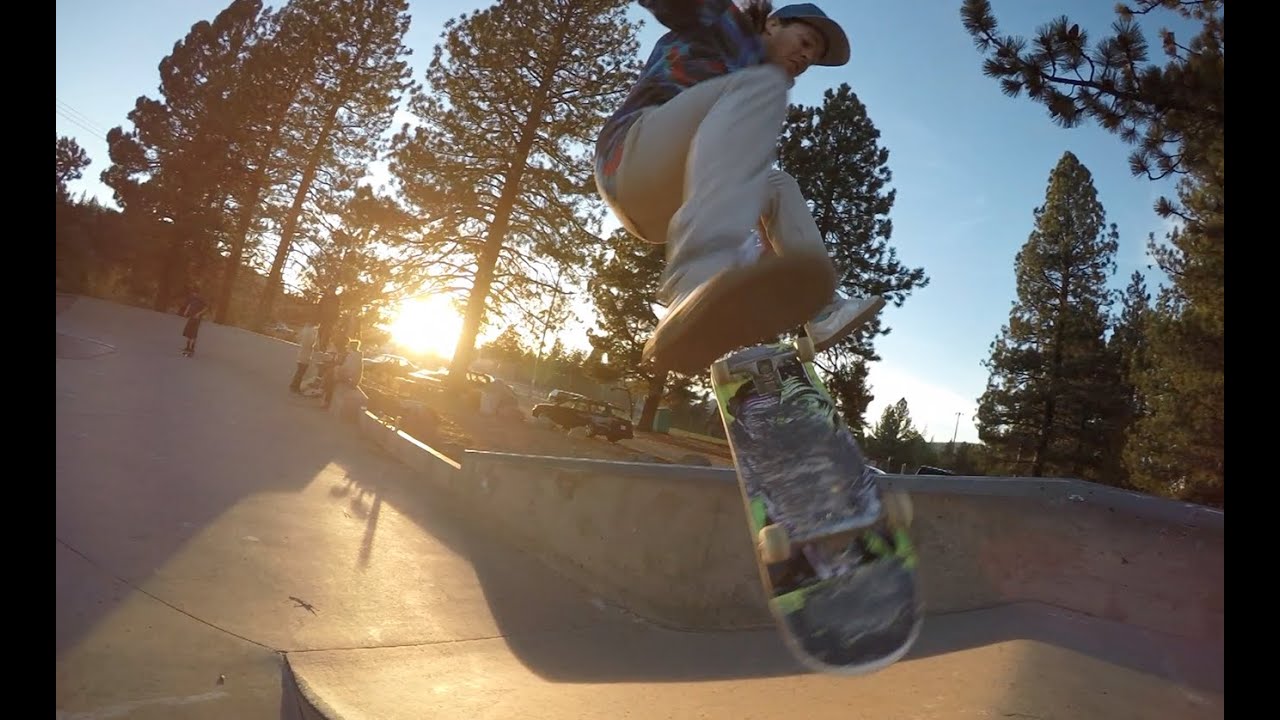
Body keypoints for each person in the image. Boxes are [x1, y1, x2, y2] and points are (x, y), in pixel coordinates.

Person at [594, 1, 885, 371]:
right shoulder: (723, 25)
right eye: (806, 41)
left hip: (662, 207)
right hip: (629, 159)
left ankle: (823, 313)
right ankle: (691, 283)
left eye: (813, 56)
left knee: (778, 185)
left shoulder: (750, 88)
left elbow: (723, 180)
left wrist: (760, 261)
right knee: (763, 86)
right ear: (773, 24)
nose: (806, 57)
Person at [290, 317, 319, 394]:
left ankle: (294, 385)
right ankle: (295, 386)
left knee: (299, 371)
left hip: (301, 352)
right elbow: (312, 344)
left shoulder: (305, 330)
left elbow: (298, 338)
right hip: (306, 354)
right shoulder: (312, 332)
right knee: (301, 372)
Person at [178, 286, 208, 356]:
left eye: (194, 293)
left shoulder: (201, 299)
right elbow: (189, 304)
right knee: (188, 331)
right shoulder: (192, 298)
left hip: (197, 318)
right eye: (193, 292)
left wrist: (199, 313)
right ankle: (188, 346)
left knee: (193, 333)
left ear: (197, 293)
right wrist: (186, 311)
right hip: (191, 316)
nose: (193, 294)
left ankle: (192, 348)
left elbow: (206, 308)